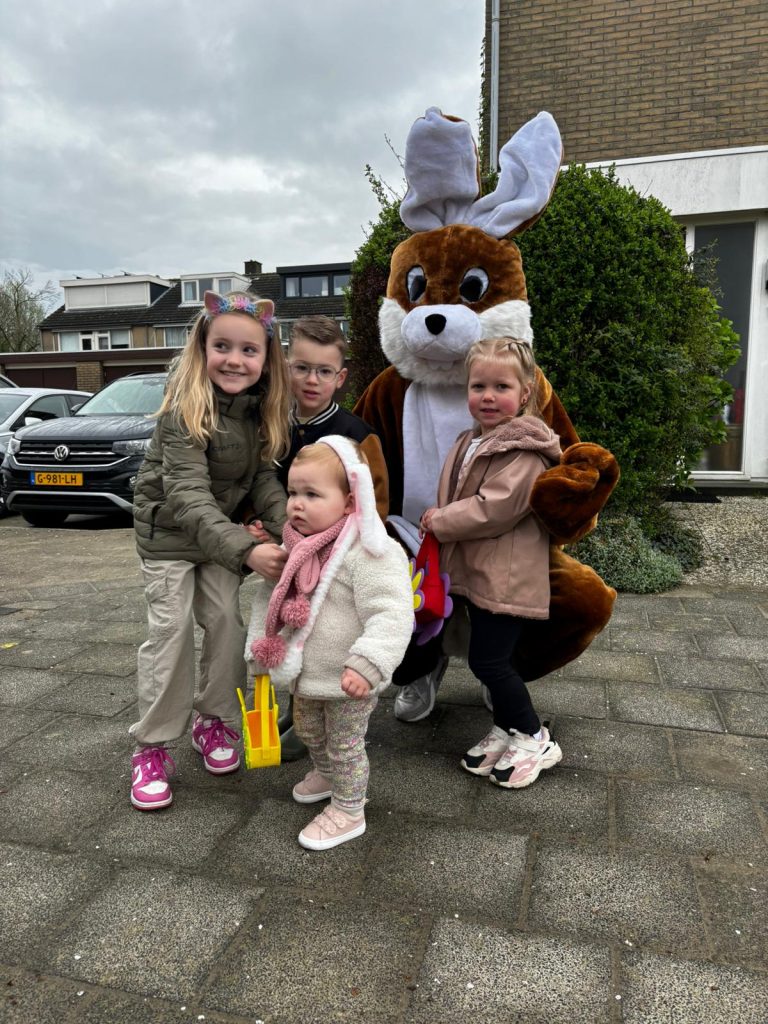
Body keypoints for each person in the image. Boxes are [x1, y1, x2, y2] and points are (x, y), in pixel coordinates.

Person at [129, 290, 291, 811]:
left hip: (218, 539)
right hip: (170, 536)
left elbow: (263, 480)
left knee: (227, 623)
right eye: (223, 346)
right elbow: (187, 495)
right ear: (202, 348)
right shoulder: (184, 410)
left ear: (266, 358)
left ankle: (214, 721)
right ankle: (152, 746)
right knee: (171, 632)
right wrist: (247, 551)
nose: (234, 360)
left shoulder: (258, 412)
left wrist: (293, 534)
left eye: (249, 350)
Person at [246, 436, 413, 849]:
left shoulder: (371, 552)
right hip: (305, 674)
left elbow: (392, 612)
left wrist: (368, 664)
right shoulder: (293, 547)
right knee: (308, 731)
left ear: (350, 500)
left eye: (312, 494)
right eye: (293, 493)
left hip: (347, 676)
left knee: (344, 744)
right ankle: (326, 775)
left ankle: (349, 808)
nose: (297, 505)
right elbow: (268, 600)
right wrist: (259, 650)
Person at [417, 337, 564, 788]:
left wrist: (440, 520)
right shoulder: (471, 441)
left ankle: (534, 736)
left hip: (507, 576)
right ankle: (506, 727)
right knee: (488, 658)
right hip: (484, 573)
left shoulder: (524, 451)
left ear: (525, 393)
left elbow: (494, 507)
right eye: (478, 386)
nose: (488, 396)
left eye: (502, 387)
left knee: (490, 662)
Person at [273, 315, 390, 759]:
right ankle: (297, 710)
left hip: (338, 561)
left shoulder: (357, 435)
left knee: (326, 639)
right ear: (287, 367)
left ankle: (327, 725)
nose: (311, 380)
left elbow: (377, 503)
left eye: (324, 371)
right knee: (291, 628)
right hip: (290, 550)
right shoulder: (275, 425)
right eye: (302, 367)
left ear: (340, 378)